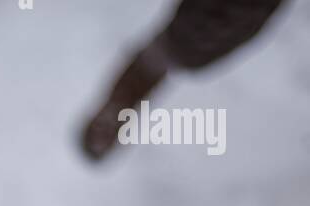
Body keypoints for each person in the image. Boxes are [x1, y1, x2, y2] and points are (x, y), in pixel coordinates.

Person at [80, 0, 289, 161]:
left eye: (100, 131)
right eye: (109, 139)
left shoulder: (176, 49)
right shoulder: (188, 58)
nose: (108, 129)